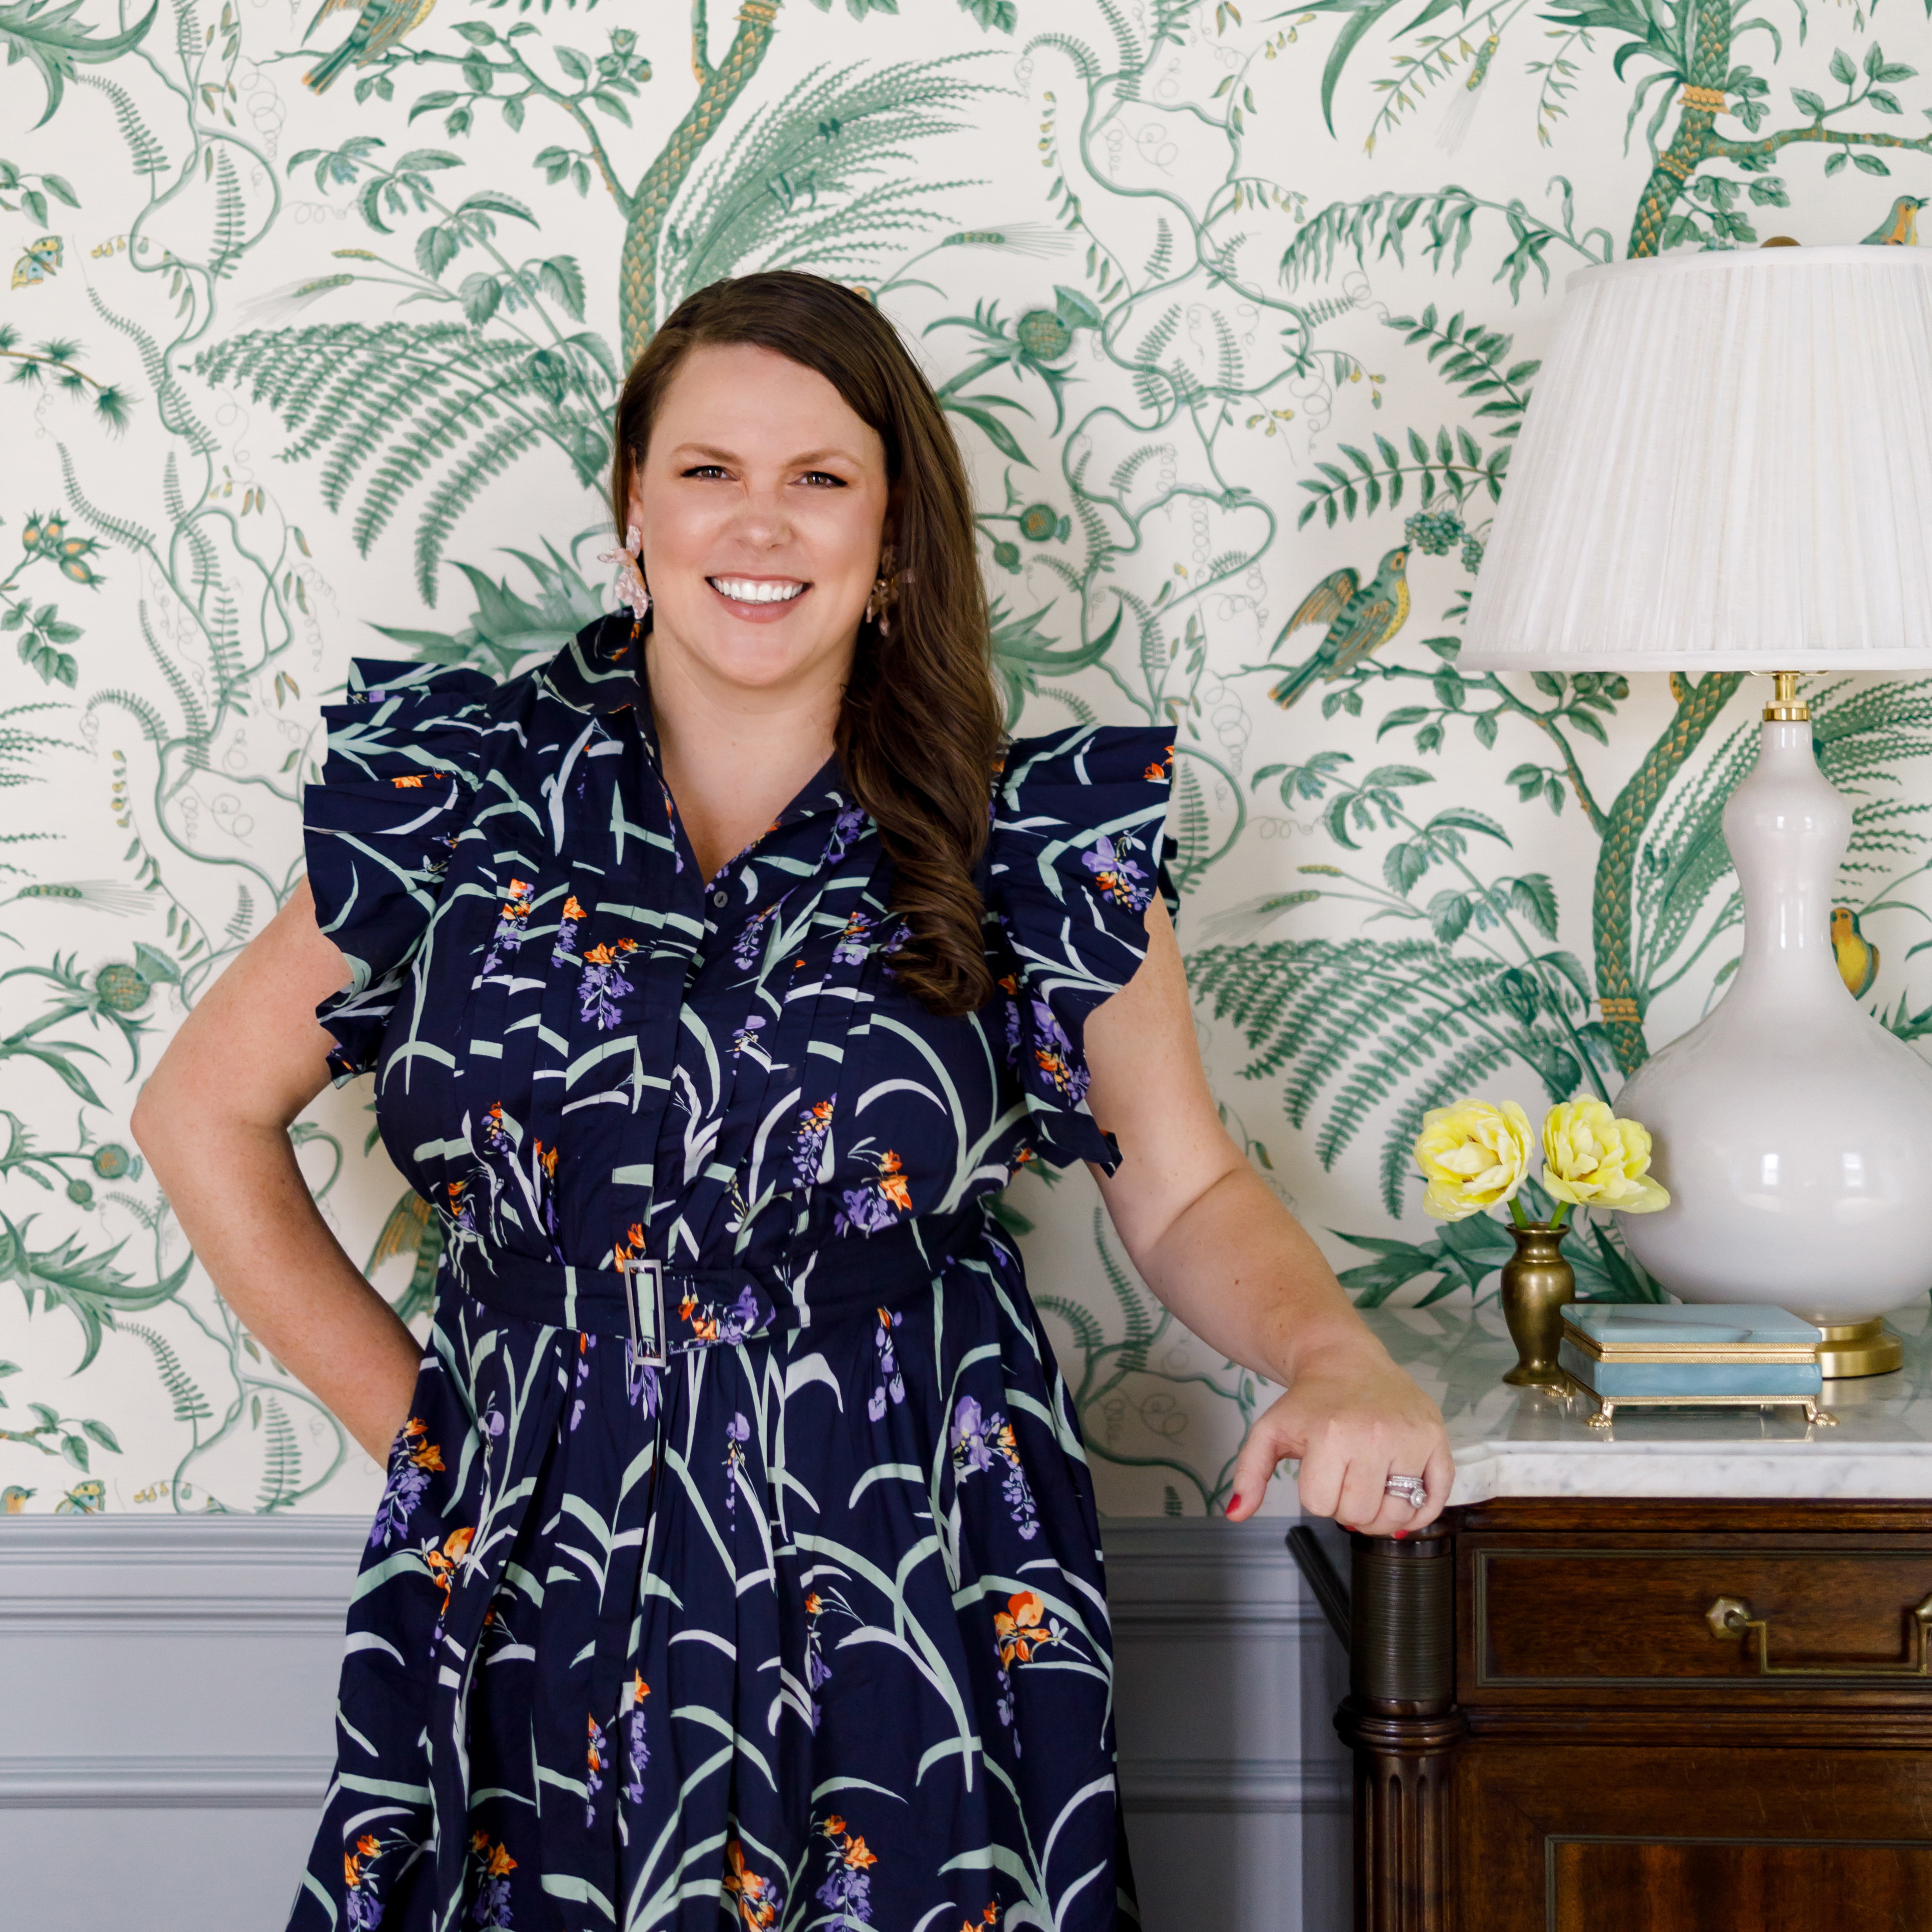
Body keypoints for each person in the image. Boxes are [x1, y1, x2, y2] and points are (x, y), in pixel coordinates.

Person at [133, 270, 1450, 1932]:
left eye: (821, 477)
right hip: (535, 1538)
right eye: (708, 470)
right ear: (634, 510)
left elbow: (1181, 1191)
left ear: (892, 537)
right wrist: (427, 1436)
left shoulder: (1024, 834)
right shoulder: (455, 795)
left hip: (917, 1538)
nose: (760, 521)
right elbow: (201, 1115)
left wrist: (1339, 1357)